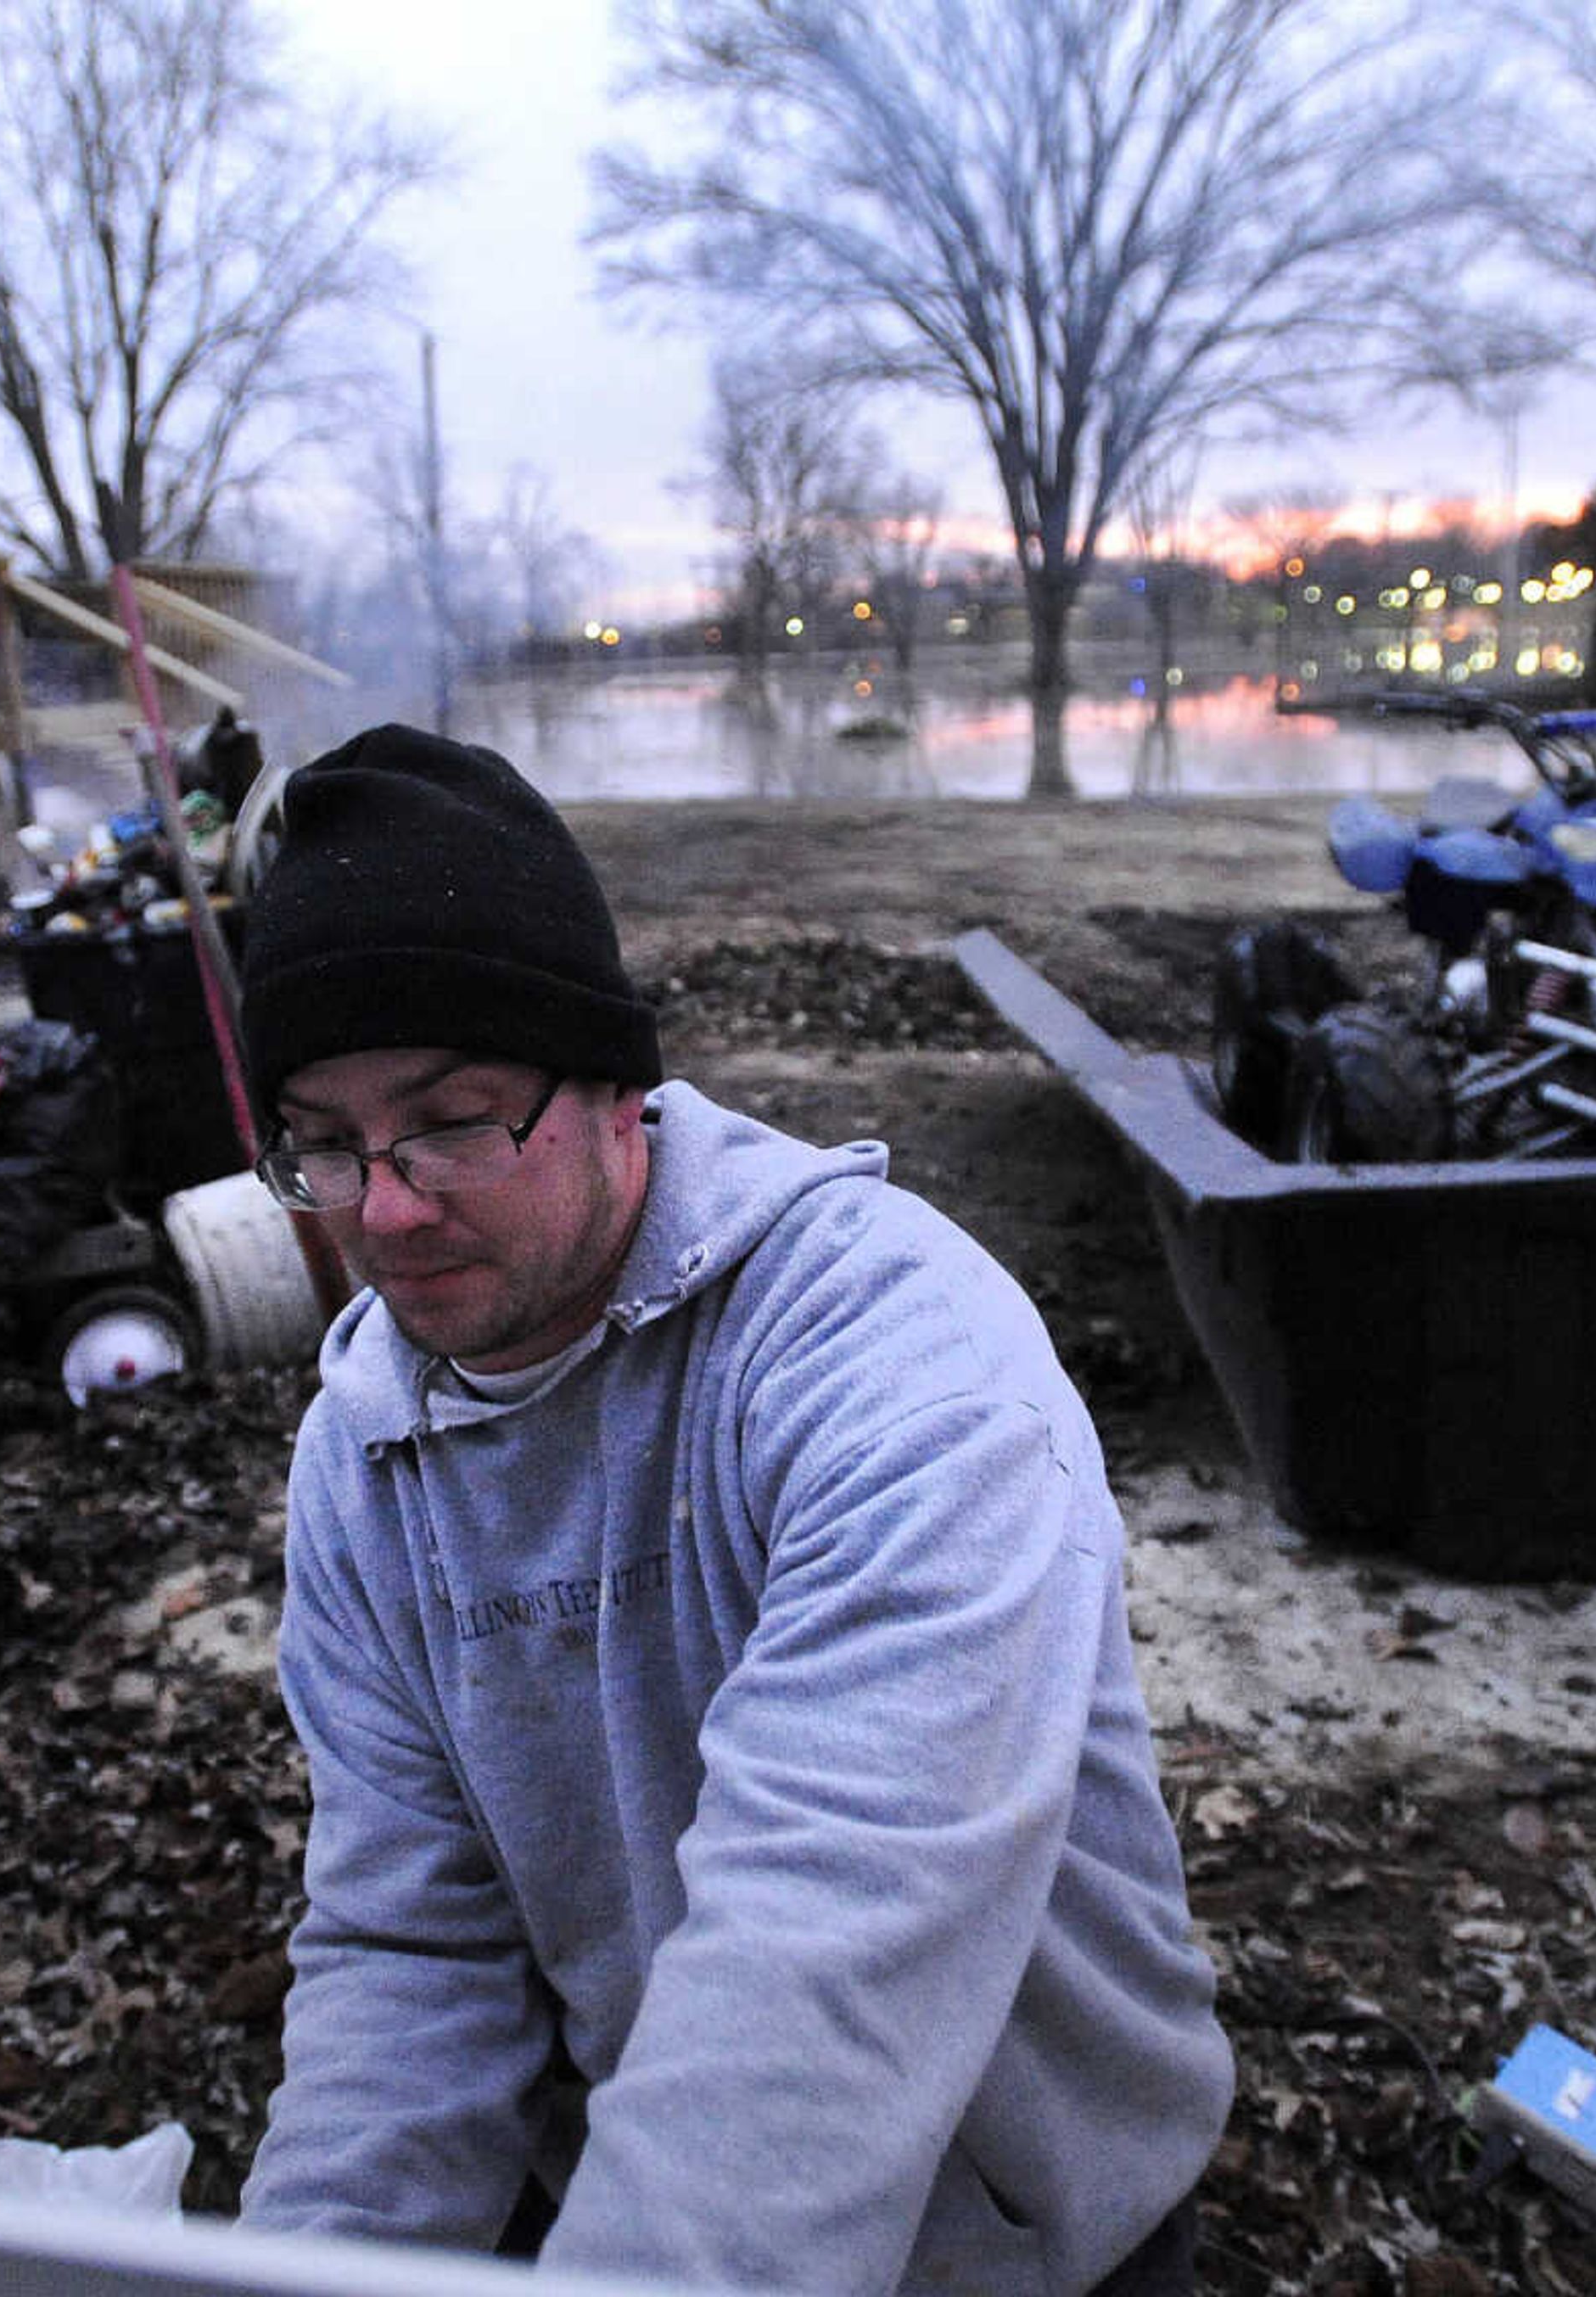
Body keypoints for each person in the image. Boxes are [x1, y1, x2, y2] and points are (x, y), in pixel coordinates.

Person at [231, 725, 1234, 2294]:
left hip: (1027, 2245)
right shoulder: (362, 1464)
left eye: (450, 1116)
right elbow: (412, 1954)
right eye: (327, 1145)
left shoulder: (895, 1350)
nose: (392, 1204)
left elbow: (844, 1922)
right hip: (640, 2219)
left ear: (617, 1086)